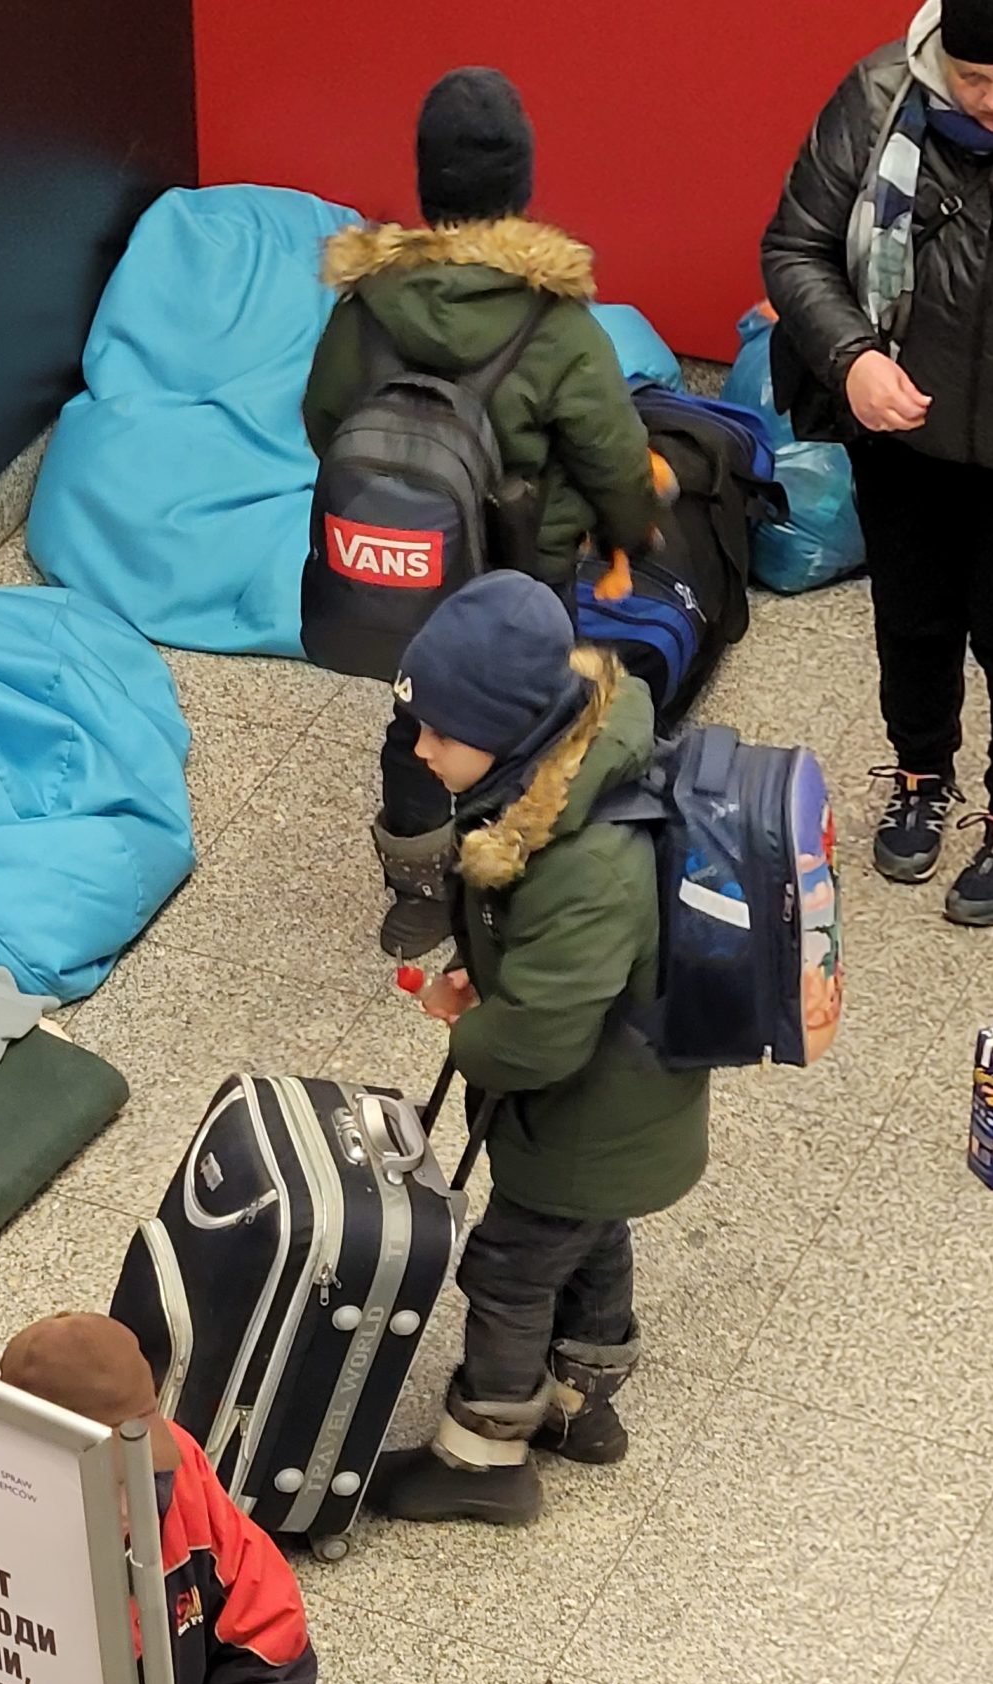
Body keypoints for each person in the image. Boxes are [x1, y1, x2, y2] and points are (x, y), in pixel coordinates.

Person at [364, 574, 709, 1527]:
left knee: (513, 1267)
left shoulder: (584, 860)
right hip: (628, 1113)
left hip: (588, 1116)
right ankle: (582, 1406)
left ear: (512, 729)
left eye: (441, 733)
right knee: (591, 1235)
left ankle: (485, 1458)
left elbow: (543, 1042)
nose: (422, 750)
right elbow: (560, 972)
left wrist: (472, 1025)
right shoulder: (558, 776)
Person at [302, 67, 661, 956]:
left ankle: (422, 889)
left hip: (413, 574)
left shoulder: (366, 306)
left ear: (426, 187)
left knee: (419, 721)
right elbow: (613, 458)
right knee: (543, 718)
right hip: (519, 569)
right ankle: (521, 880)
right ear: (522, 190)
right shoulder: (559, 326)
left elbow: (324, 419)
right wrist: (626, 528)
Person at [0, 1312, 471, 1684]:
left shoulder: (180, 1473)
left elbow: (269, 1641)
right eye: (104, 1478)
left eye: (138, 1464)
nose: (132, 1502)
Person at [763, 0, 993, 926]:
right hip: (905, 438)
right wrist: (852, 354)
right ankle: (921, 773)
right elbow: (797, 245)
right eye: (974, 80)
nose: (987, 104)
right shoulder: (877, 96)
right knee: (912, 619)